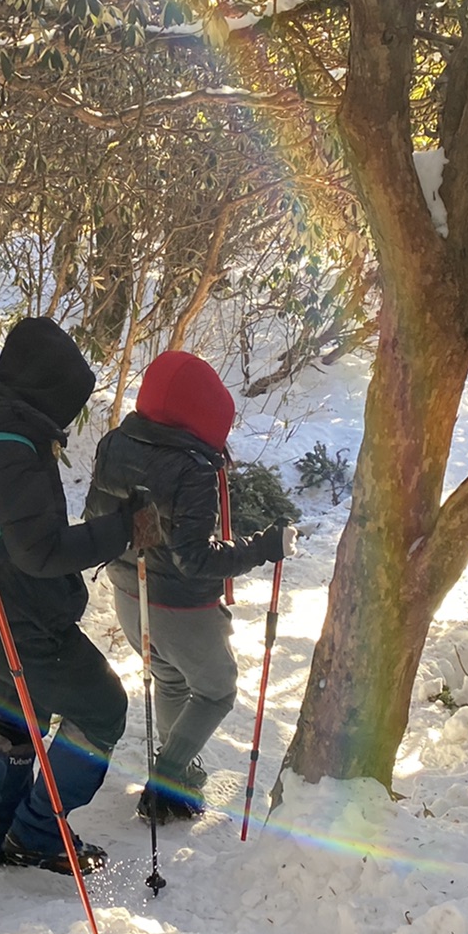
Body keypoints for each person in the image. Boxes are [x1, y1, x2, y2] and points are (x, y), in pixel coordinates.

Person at [0, 317, 155, 875]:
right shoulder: (10, 445)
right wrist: (124, 529)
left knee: (21, 707)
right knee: (103, 707)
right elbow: (40, 552)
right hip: (9, 611)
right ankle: (36, 833)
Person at [86, 350, 294, 824]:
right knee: (217, 690)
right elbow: (194, 559)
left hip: (126, 586)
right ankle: (167, 777)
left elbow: (96, 517)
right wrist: (265, 547)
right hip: (180, 607)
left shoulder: (118, 441)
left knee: (171, 677)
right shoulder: (192, 466)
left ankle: (177, 780)